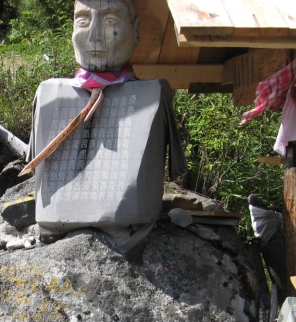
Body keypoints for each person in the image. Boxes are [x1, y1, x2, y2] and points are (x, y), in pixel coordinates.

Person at [25, 0, 186, 261]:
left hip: (128, 233)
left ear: (136, 31)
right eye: (83, 21)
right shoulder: (48, 92)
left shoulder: (153, 93)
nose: (94, 36)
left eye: (110, 21)